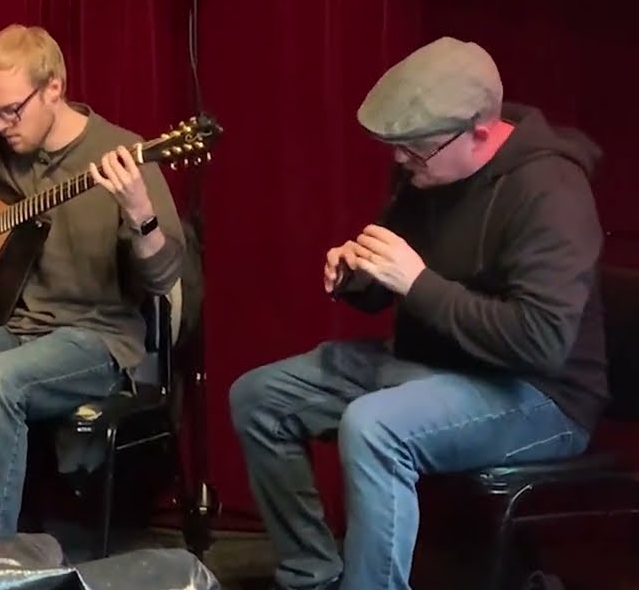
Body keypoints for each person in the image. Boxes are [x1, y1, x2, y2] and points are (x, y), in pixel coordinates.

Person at [228, 37, 608, 590]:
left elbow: (541, 340)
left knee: (374, 427)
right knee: (260, 397)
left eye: (416, 149)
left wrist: (417, 283)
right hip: (435, 365)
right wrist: (358, 275)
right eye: (396, 147)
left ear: (479, 133)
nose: (400, 160)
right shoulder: (427, 171)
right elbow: (387, 286)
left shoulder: (550, 192)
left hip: (539, 394)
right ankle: (312, 577)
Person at [0, 24, 186, 553]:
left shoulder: (122, 153)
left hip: (96, 339)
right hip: (17, 329)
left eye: (12, 111)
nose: (2, 126)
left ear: (54, 87)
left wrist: (140, 213)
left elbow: (163, 276)